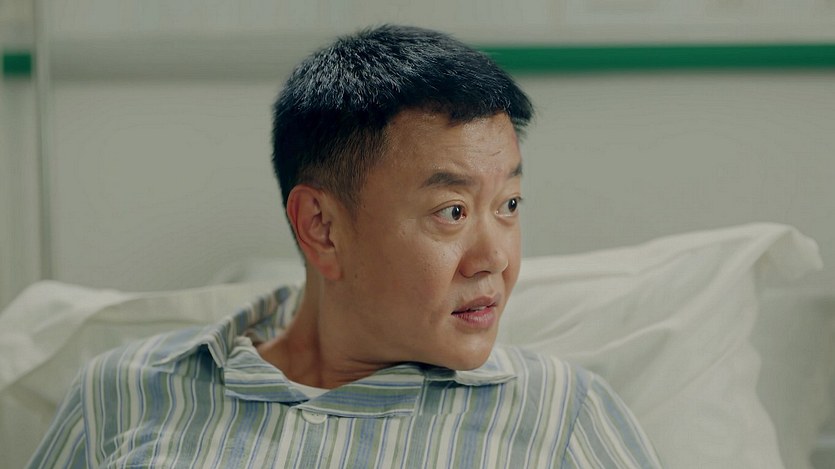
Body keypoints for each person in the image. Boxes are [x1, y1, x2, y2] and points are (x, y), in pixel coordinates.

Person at [28, 25, 661, 468]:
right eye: (453, 212)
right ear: (322, 228)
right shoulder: (123, 392)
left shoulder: (561, 418)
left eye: (509, 206)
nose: (494, 257)